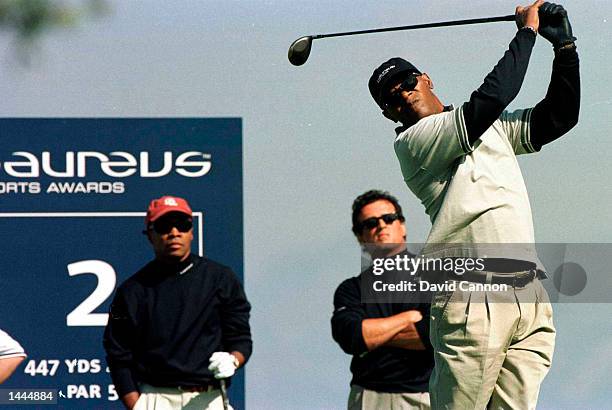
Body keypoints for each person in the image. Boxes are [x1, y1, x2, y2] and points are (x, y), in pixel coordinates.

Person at [368, 1, 578, 408]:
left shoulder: (490, 126)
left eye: (408, 83)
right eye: (392, 99)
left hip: (527, 292)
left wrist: (566, 49)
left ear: (426, 79)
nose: (404, 96)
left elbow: (559, 118)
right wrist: (526, 33)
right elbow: (494, 96)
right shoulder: (413, 143)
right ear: (387, 113)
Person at [103, 195, 252, 410]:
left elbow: (240, 338)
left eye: (182, 225)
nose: (174, 233)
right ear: (150, 235)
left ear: (191, 232)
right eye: (164, 226)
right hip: (155, 399)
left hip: (208, 398)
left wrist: (233, 360)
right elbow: (118, 354)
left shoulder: (221, 279)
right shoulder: (131, 291)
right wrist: (136, 406)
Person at [331, 190, 434, 410]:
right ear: (360, 236)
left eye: (388, 218)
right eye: (370, 223)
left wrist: (372, 336)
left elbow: (434, 334)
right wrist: (407, 319)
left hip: (426, 396)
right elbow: (351, 336)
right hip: (370, 398)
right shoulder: (351, 289)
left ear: (402, 226)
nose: (381, 226)